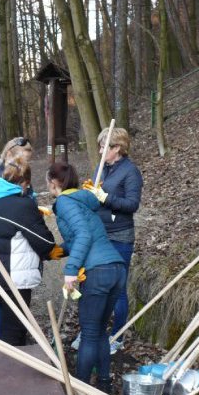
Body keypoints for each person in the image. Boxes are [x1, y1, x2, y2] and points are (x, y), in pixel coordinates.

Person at [47, 161, 126, 393]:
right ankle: (104, 384)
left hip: (98, 272)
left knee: (90, 333)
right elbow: (83, 236)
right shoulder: (83, 200)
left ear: (54, 183)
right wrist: (59, 250)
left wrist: (71, 270)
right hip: (115, 268)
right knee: (100, 331)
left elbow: (82, 234)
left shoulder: (64, 201)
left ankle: (80, 389)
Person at [79, 127, 142, 355]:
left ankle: (116, 336)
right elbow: (95, 197)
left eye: (104, 147)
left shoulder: (130, 172)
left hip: (120, 236)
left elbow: (132, 204)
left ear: (117, 148)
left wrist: (106, 198)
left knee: (118, 289)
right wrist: (89, 194)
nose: (99, 150)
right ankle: (89, 332)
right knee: (91, 283)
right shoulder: (101, 169)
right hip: (99, 233)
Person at [0, 157, 55, 346]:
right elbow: (45, 241)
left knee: (10, 319)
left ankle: (14, 360)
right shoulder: (22, 205)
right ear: (25, 183)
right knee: (15, 327)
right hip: (14, 276)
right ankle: (12, 368)